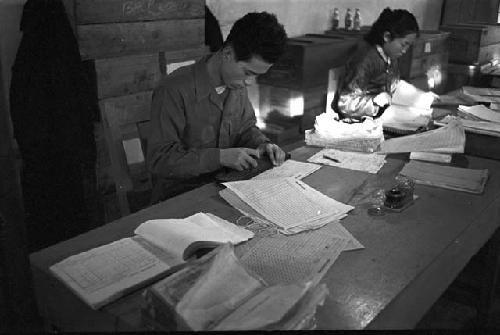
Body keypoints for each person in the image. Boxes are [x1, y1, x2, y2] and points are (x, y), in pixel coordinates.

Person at [148, 12, 288, 203]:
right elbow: (160, 159)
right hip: (180, 198)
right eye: (247, 72)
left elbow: (246, 129)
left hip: (227, 187)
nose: (249, 82)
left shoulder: (236, 84)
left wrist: (262, 144)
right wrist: (220, 157)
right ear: (228, 53)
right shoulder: (173, 90)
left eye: (255, 76)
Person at [333, 8, 420, 120]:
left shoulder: (390, 56)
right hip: (360, 123)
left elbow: (394, 86)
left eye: (409, 46)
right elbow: (346, 103)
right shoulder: (365, 59)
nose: (405, 50)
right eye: (404, 44)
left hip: (382, 117)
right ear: (387, 37)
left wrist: (419, 95)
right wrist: (374, 102)